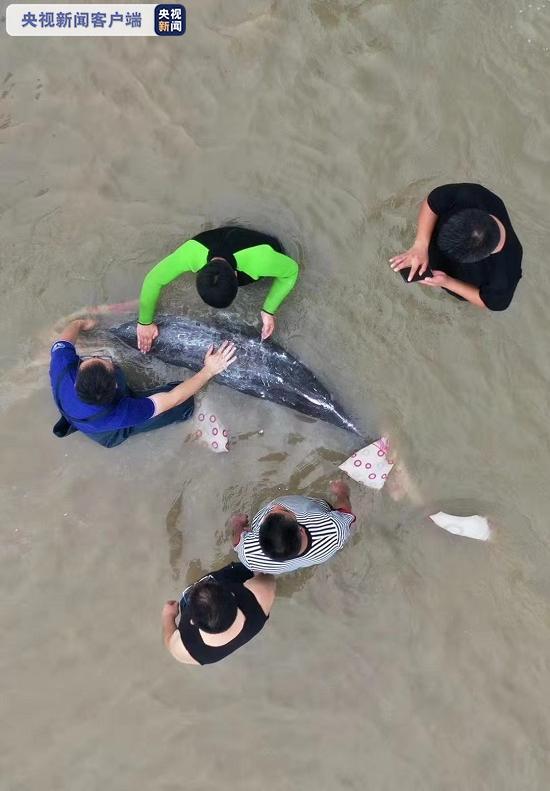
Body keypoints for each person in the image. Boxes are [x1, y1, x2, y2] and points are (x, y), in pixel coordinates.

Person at [49, 317, 236, 448]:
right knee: (183, 403)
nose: (98, 356)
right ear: (115, 386)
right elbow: (173, 398)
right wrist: (209, 370)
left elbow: (64, 340)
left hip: (83, 410)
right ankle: (190, 417)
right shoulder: (121, 414)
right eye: (101, 359)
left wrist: (79, 323)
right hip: (107, 429)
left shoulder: (62, 367)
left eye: (93, 358)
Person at [136, 226, 300, 351]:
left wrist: (269, 310)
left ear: (236, 277)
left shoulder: (262, 262)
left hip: (260, 247)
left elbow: (292, 271)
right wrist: (145, 322)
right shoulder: (191, 253)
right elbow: (153, 280)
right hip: (219, 239)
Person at [390, 183, 522, 311]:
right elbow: (433, 202)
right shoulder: (473, 194)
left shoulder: (506, 272)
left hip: (458, 279)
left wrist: (447, 282)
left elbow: (488, 301)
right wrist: (420, 244)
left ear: (479, 257)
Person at [162, 562, 276, 665]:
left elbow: (169, 640)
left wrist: (168, 616)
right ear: (232, 595)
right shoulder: (261, 596)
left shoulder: (187, 650)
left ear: (192, 621)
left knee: (187, 596)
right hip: (239, 586)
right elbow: (266, 572)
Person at [232, 481, 356, 575]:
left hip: (291, 565)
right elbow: (346, 513)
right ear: (300, 530)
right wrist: (342, 493)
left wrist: (237, 524)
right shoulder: (334, 529)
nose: (274, 507)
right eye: (283, 510)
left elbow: (237, 543)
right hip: (320, 550)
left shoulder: (249, 555)